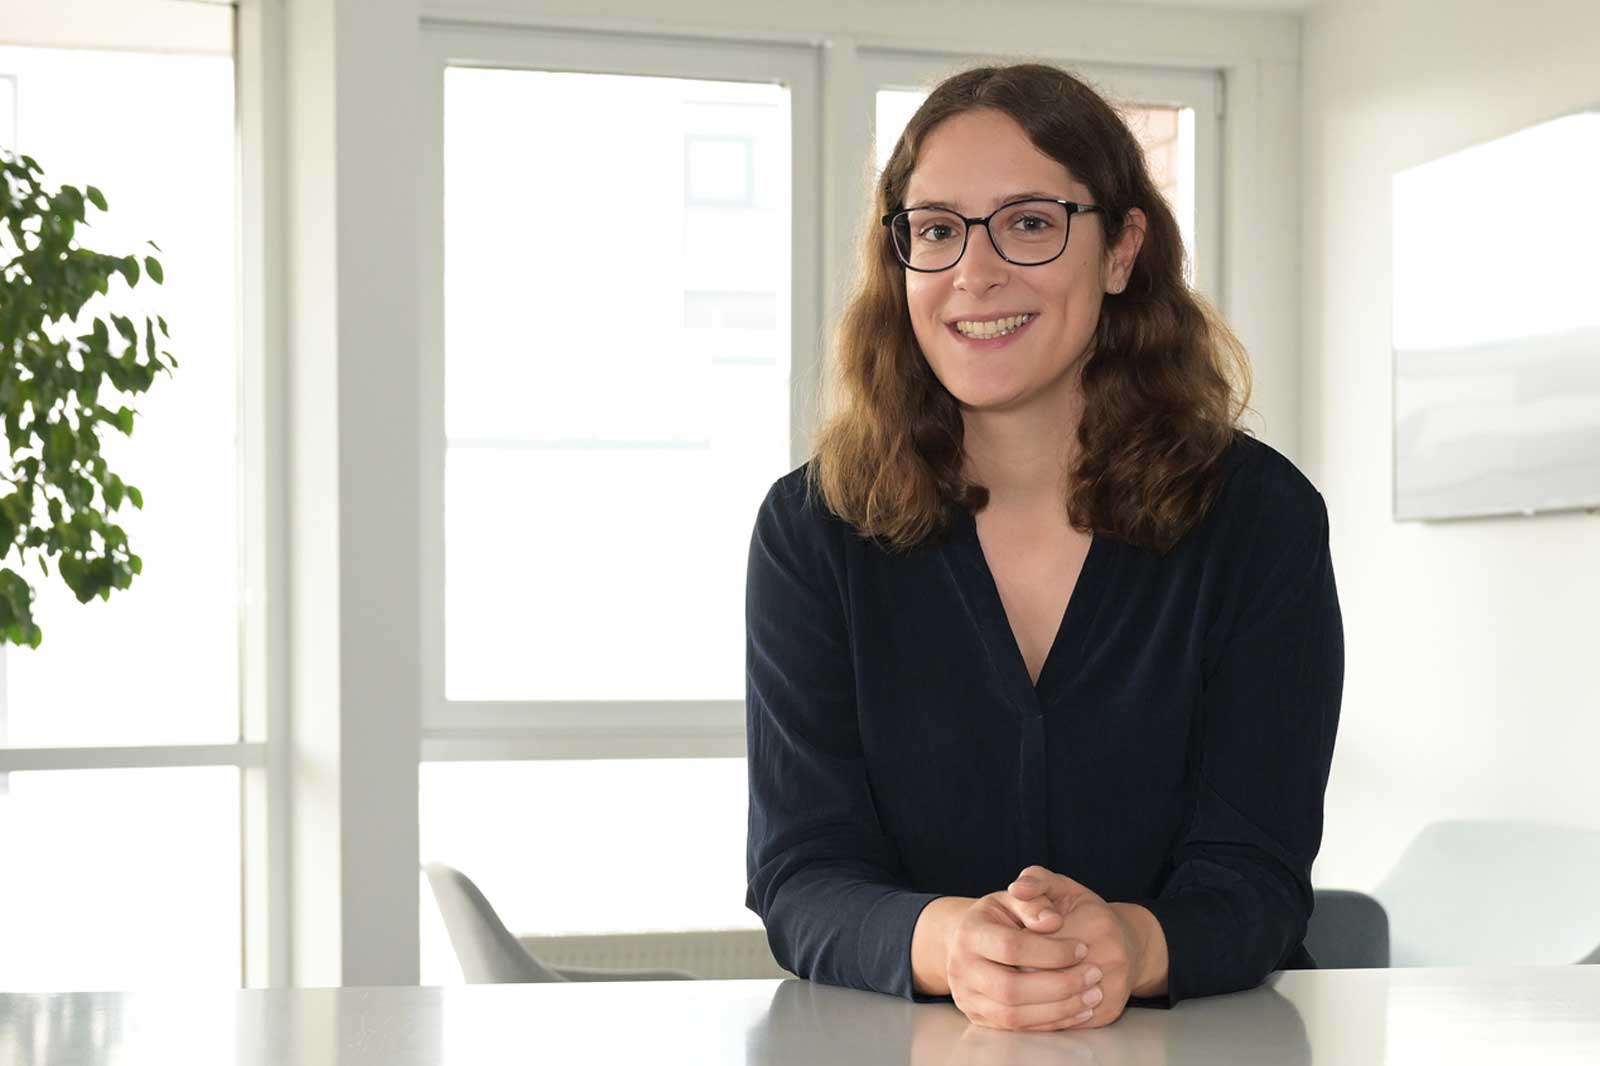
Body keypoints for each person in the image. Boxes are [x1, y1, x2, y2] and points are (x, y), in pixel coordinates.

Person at [743, 63, 1342, 1032]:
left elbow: (1257, 874)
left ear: (1120, 250)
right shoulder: (811, 528)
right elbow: (802, 874)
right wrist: (954, 942)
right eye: (935, 230)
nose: (974, 273)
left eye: (1028, 222)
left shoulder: (1260, 518)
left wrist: (1130, 944)